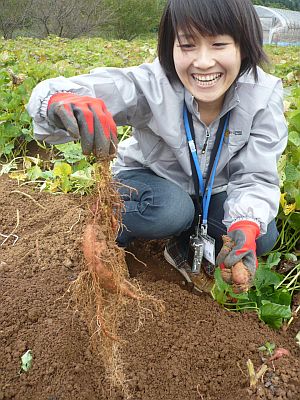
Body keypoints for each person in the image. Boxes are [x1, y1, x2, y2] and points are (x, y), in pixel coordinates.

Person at [27, 0, 287, 293]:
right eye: (187, 45)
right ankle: (109, 230)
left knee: (262, 235)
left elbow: (255, 175)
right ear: (169, 47)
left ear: (243, 45)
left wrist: (245, 228)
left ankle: (182, 248)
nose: (202, 62)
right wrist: (57, 102)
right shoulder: (153, 83)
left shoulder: (262, 96)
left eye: (218, 45)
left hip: (209, 191)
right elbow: (71, 90)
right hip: (148, 182)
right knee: (172, 210)